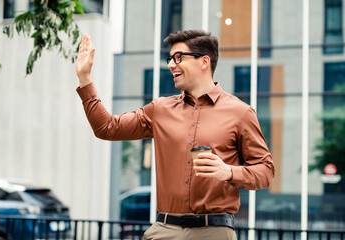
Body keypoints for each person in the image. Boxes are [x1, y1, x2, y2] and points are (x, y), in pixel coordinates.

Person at [75, 30, 275, 240]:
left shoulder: (240, 113)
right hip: (164, 231)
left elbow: (266, 172)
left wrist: (229, 172)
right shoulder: (160, 109)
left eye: (179, 58)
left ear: (204, 62)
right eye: (170, 58)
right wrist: (85, 78)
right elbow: (107, 128)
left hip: (214, 232)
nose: (171, 64)